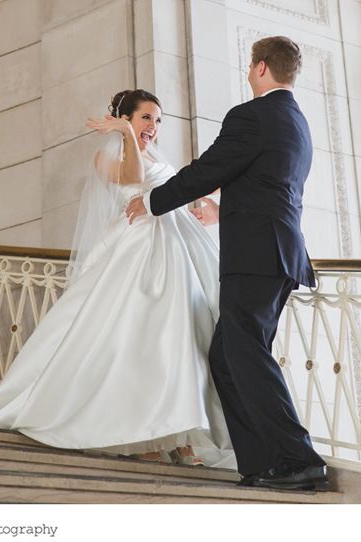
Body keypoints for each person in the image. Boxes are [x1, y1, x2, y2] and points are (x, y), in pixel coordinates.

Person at [0, 89, 233, 467]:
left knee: (180, 340)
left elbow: (191, 184)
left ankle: (183, 438)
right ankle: (143, 435)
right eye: (144, 118)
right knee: (137, 342)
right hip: (138, 252)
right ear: (125, 119)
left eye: (158, 120)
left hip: (176, 248)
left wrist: (214, 204)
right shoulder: (108, 157)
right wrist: (125, 135)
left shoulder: (159, 156)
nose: (153, 128)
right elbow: (134, 178)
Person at [126, 36, 327, 491]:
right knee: (228, 355)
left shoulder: (251, 114)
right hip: (277, 251)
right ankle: (261, 463)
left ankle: (298, 459)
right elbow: (267, 183)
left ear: (259, 68)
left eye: (248, 67)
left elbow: (210, 168)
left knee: (245, 353)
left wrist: (154, 200)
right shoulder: (296, 121)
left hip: (257, 255)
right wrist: (223, 209)